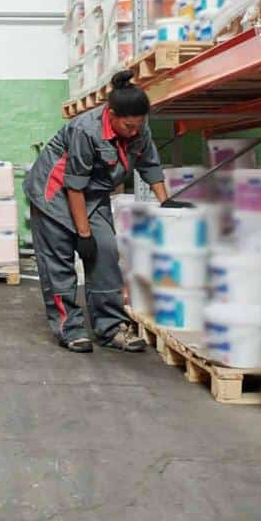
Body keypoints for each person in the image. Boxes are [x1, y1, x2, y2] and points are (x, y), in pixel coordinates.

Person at [24, 70, 186, 353]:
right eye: (128, 126)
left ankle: (110, 328)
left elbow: (149, 164)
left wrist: (165, 201)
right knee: (59, 262)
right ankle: (69, 328)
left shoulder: (138, 127)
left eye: (139, 125)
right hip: (54, 195)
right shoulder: (85, 130)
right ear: (110, 114)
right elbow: (73, 185)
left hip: (92, 195)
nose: (134, 131)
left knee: (106, 253)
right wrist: (83, 234)